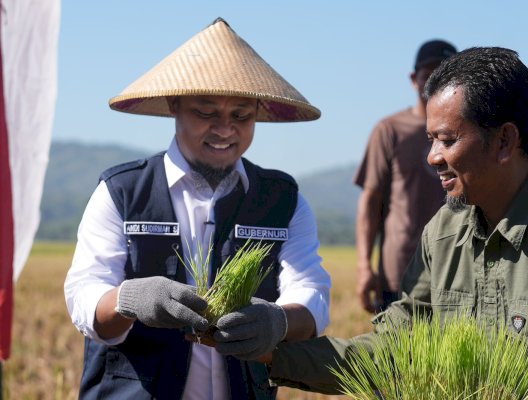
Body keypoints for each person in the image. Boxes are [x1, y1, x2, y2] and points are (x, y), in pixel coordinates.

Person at [235, 47, 528, 398]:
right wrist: (271, 353)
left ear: (504, 140)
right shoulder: (443, 233)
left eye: (447, 140)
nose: (432, 157)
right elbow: (395, 348)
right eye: (430, 140)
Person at [64, 18, 331, 400]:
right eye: (206, 113)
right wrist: (129, 300)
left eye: (241, 116)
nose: (225, 130)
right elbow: (85, 296)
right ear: (176, 105)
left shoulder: (282, 200)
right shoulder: (121, 192)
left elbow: (312, 295)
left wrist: (279, 320)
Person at [354, 39, 456, 312]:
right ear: (414, 79)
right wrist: (365, 266)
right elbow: (371, 201)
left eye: (446, 76)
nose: (436, 83)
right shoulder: (391, 130)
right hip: (399, 272)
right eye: (428, 76)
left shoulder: (469, 134)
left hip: (456, 273)